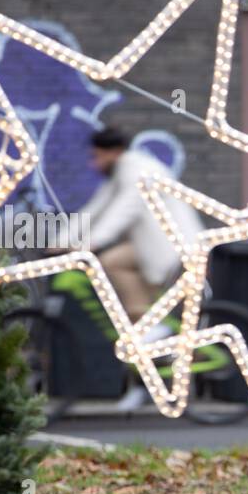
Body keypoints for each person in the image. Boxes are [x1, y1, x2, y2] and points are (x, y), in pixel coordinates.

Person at [70, 126, 204, 409]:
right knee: (118, 278)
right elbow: (95, 209)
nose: (94, 164)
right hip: (153, 249)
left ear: (114, 152)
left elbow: (125, 209)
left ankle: (152, 328)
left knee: (112, 267)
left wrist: (91, 243)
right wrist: (61, 242)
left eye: (97, 157)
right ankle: (146, 354)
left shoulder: (135, 169)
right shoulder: (122, 171)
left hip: (173, 251)